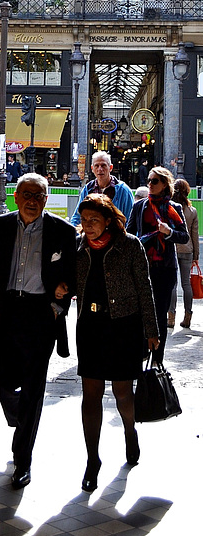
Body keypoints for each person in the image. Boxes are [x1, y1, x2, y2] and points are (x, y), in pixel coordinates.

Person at [0, 173, 76, 489]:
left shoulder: (63, 232)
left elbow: (74, 274)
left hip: (41, 316)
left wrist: (65, 292)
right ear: (15, 196)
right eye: (26, 194)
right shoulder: (0, 227)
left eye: (38, 195)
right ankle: (21, 417)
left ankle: (23, 460)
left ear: (46, 199)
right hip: (5, 312)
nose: (32, 201)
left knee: (33, 388)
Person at [76, 194, 159, 493]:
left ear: (109, 220)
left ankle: (129, 430)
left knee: (123, 392)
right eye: (84, 221)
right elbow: (72, 282)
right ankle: (92, 460)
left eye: (94, 220)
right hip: (90, 327)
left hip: (124, 326)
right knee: (91, 395)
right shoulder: (79, 246)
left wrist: (152, 330)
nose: (88, 226)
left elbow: (144, 288)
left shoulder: (129, 245)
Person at [127, 167, 189, 363]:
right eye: (149, 181)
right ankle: (141, 352)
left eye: (155, 181)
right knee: (138, 312)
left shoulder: (174, 209)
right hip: (141, 267)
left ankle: (157, 359)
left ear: (164, 184)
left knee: (159, 314)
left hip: (164, 268)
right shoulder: (140, 207)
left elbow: (184, 236)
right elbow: (129, 234)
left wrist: (168, 232)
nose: (150, 184)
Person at [70, 151, 134, 229]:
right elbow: (77, 217)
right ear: (92, 168)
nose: (100, 169)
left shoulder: (123, 190)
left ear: (110, 167)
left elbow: (130, 221)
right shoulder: (88, 189)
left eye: (103, 165)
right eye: (96, 166)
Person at [168, 179, 199, 329]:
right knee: (187, 284)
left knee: (172, 284)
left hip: (172, 248)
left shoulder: (169, 208)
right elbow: (194, 235)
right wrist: (196, 256)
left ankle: (171, 317)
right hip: (187, 250)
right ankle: (187, 317)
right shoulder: (192, 211)